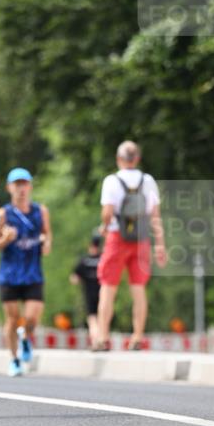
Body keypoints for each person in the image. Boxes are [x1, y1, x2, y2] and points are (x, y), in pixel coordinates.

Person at [94, 140, 166, 351]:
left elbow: (107, 213)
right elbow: (155, 216)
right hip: (141, 239)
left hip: (117, 238)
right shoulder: (148, 180)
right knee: (138, 289)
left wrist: (105, 227)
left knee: (108, 288)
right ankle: (137, 337)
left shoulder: (112, 181)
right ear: (137, 159)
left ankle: (102, 337)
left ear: (119, 159)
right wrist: (160, 245)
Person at [0, 168, 52, 376]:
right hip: (10, 274)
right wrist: (5, 239)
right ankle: (14, 359)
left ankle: (25, 337)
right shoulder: (4, 214)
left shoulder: (40, 211)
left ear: (30, 186)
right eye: (17, 185)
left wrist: (46, 244)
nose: (21, 189)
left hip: (33, 273)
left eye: (24, 184)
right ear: (9, 188)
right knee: (12, 318)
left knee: (32, 319)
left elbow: (47, 235)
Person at [70, 232, 103, 346]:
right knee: (101, 315)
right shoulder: (103, 259)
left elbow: (74, 278)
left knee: (92, 318)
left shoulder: (84, 260)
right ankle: (101, 338)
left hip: (89, 292)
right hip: (102, 292)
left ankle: (95, 340)